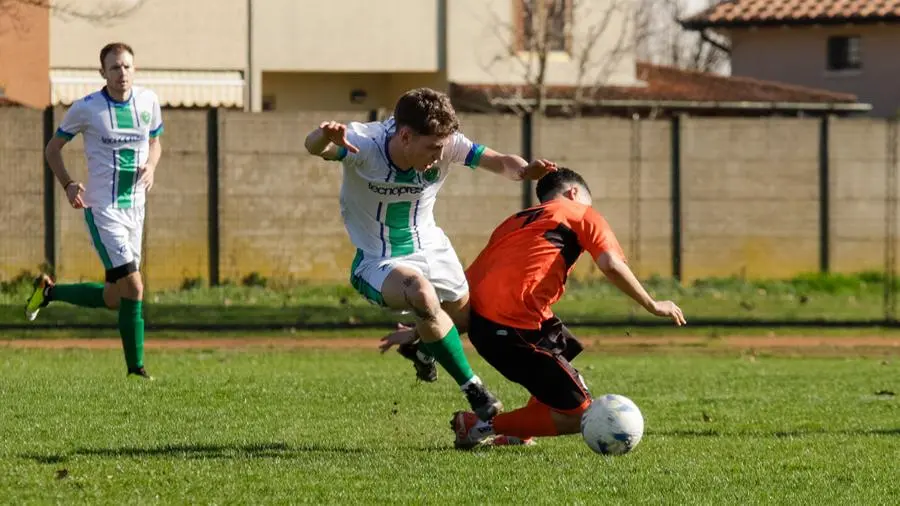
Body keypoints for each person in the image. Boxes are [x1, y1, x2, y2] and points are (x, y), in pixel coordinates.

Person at [381, 167, 686, 448]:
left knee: (560, 345)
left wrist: (425, 329)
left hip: (496, 327)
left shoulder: (514, 223)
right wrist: (652, 303)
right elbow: (610, 264)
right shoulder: (579, 212)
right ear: (573, 194)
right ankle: (479, 426)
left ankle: (520, 431)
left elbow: (467, 293)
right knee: (577, 413)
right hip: (514, 329)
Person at [304, 87, 557, 420]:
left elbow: (498, 161)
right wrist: (324, 135)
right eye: (432, 148)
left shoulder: (447, 143)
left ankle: (422, 350)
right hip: (378, 260)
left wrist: (525, 172)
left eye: (442, 147)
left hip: (431, 247)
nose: (439, 156)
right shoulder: (364, 145)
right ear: (405, 136)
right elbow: (314, 147)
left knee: (465, 320)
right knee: (421, 293)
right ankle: (476, 391)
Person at [26, 42, 163, 380]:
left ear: (135, 69)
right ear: (103, 72)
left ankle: (49, 292)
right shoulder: (87, 109)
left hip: (136, 210)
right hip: (103, 211)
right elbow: (53, 148)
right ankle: (136, 370)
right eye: (115, 68)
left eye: (127, 66)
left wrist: (152, 166)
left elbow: (156, 140)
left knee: (116, 298)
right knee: (135, 287)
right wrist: (69, 184)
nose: (122, 73)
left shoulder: (148, 102)